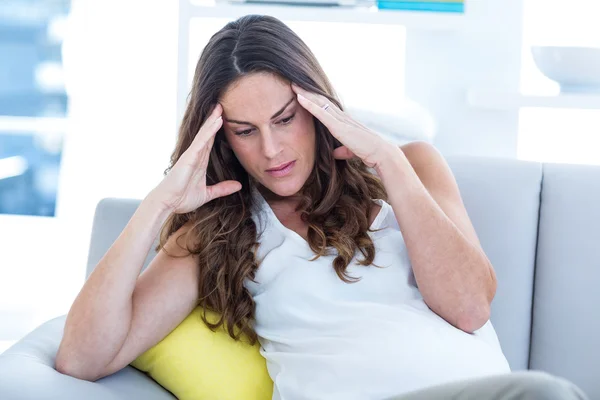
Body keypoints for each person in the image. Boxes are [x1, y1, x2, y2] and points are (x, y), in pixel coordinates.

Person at [54, 14, 588, 400]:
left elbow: (470, 307)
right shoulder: (221, 230)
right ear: (221, 140)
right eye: (245, 131)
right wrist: (159, 203)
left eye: (285, 119)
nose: (271, 150)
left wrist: (388, 162)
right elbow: (81, 358)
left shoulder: (413, 167)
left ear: (317, 106)